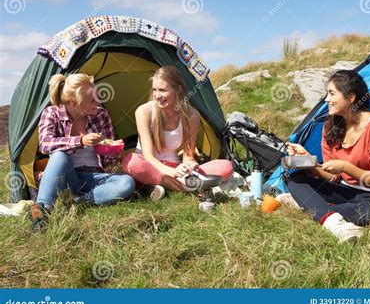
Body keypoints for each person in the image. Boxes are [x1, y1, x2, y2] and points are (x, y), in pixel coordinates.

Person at [287, 70, 370, 242]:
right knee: (296, 179)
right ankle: (333, 222)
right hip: (346, 190)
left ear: (351, 97)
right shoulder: (330, 126)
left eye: (332, 93)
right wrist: (308, 160)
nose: (326, 99)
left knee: (364, 212)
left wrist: (346, 167)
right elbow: (333, 178)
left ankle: (313, 207)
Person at [29, 73, 136, 230]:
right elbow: (45, 144)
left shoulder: (101, 115)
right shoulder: (51, 113)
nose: (98, 102)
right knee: (59, 155)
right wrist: (80, 141)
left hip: (94, 177)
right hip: (65, 176)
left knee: (127, 183)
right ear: (74, 103)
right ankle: (41, 210)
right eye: (92, 100)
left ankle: (76, 201)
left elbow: (109, 158)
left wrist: (112, 151)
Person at [122, 66, 233, 199]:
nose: (157, 95)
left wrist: (190, 164)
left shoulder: (191, 115)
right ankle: (183, 186)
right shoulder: (143, 111)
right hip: (148, 165)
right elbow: (148, 156)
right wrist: (172, 172)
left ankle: (154, 187)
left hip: (175, 167)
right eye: (155, 90)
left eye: (162, 90)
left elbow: (188, 155)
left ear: (178, 89)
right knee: (131, 162)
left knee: (226, 166)